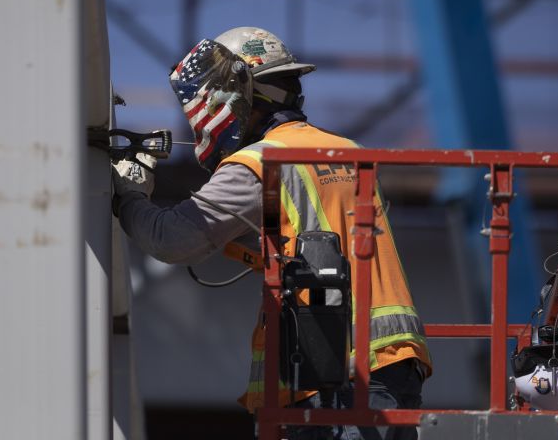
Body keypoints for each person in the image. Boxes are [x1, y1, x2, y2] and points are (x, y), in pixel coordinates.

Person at [111, 27, 432, 440]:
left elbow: (172, 239)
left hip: (334, 371)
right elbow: (321, 239)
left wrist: (130, 196)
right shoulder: (348, 152)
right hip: (392, 363)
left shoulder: (258, 164)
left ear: (231, 94)